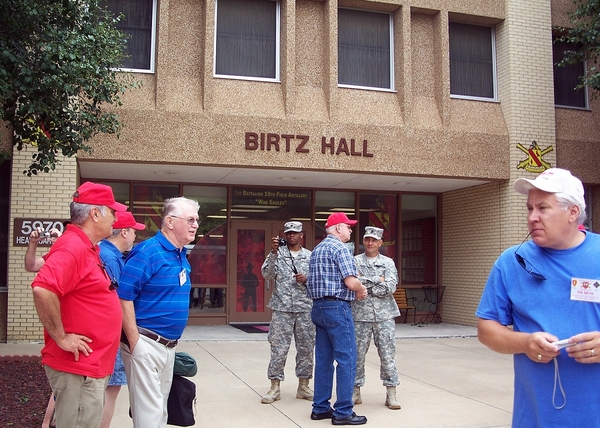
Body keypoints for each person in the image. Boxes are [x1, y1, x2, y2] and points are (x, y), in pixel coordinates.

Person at [476, 168, 600, 427]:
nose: (532, 217)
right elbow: (486, 329)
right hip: (535, 416)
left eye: (543, 208)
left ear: (573, 212)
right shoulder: (511, 262)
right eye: (529, 208)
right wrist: (524, 343)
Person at [31, 182, 127, 428]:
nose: (117, 217)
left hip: (88, 368)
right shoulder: (73, 246)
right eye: (112, 211)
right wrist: (62, 338)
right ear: (95, 214)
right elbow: (43, 289)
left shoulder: (87, 247)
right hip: (78, 369)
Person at [118, 196, 199, 428]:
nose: (195, 225)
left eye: (197, 220)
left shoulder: (180, 254)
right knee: (149, 416)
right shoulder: (147, 252)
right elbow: (123, 297)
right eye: (190, 219)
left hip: (168, 347)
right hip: (145, 342)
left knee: (161, 411)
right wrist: (135, 343)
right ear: (170, 222)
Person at [306, 212, 368, 425]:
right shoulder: (340, 248)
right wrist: (361, 289)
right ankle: (343, 411)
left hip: (318, 307)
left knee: (323, 360)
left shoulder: (317, 250)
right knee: (346, 359)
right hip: (338, 307)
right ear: (338, 228)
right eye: (348, 226)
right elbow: (351, 282)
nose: (350, 230)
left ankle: (320, 408)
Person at [98, 211, 145, 428]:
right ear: (124, 232)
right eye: (134, 231)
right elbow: (118, 299)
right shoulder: (111, 258)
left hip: (105, 331)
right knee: (111, 389)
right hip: (111, 333)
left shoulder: (106, 253)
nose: (136, 237)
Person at [260, 221, 315, 404]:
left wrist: (306, 279)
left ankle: (304, 385)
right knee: (278, 348)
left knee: (306, 348)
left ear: (301, 235)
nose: (292, 235)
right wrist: (274, 253)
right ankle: (275, 387)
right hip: (282, 308)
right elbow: (267, 274)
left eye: (295, 233)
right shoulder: (277, 254)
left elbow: (318, 280)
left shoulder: (310, 256)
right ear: (284, 234)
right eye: (289, 233)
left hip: (305, 309)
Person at [352, 226, 401, 410]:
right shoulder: (354, 261)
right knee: (357, 355)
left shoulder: (388, 262)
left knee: (388, 355)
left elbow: (390, 287)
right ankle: (355, 391)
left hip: (384, 316)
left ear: (380, 243)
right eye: (367, 239)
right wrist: (377, 280)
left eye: (374, 240)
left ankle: (391, 393)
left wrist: (365, 284)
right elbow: (352, 283)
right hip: (360, 315)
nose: (370, 243)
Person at [24, 227, 61, 428]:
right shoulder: (53, 257)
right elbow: (31, 265)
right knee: (60, 376)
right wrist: (33, 243)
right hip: (57, 327)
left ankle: (53, 420)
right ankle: (49, 421)